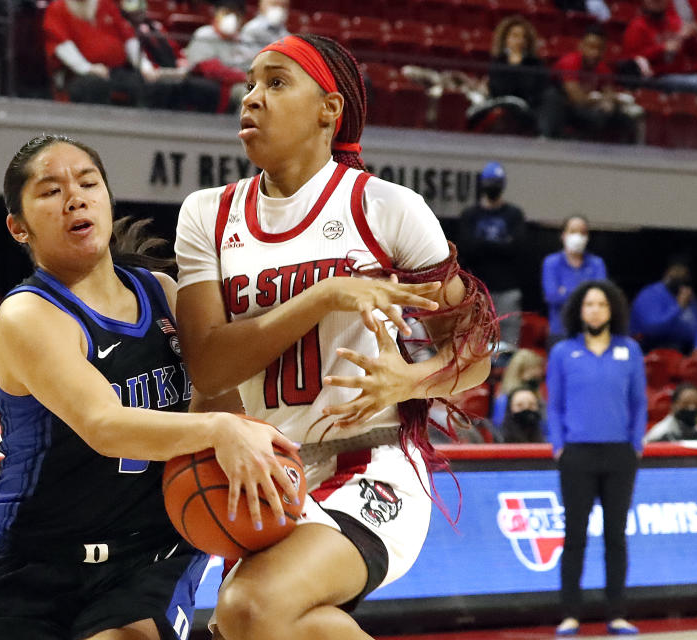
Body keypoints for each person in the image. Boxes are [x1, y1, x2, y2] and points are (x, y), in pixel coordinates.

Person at [174, 33, 497, 640]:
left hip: (371, 466)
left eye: (275, 83)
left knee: (247, 608)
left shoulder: (385, 209)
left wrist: (415, 377)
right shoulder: (207, 214)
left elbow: (477, 349)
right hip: (268, 479)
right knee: (271, 625)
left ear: (330, 109)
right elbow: (209, 368)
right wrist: (324, 295)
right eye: (249, 84)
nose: (252, 98)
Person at [0, 134, 299, 639]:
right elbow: (105, 425)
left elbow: (216, 389)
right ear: (18, 227)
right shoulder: (29, 314)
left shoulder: (162, 293)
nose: (75, 197)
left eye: (88, 183)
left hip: (148, 557)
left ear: (108, 199)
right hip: (32, 564)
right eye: (50, 191)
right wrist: (220, 429)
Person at [547, 280, 645, 636]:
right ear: (578, 310)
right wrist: (559, 446)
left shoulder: (629, 351)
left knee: (616, 536)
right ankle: (570, 614)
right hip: (577, 455)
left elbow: (639, 404)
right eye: (589, 304)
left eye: (601, 304)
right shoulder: (563, 353)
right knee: (574, 536)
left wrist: (635, 445)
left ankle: (616, 613)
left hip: (620, 454)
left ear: (612, 309)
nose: (595, 310)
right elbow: (554, 406)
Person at [458, 161, 527, 349]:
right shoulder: (470, 214)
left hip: (507, 290)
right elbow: (466, 248)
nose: (492, 186)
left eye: (496, 182)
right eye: (489, 182)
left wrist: (482, 246)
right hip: (477, 289)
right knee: (474, 346)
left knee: (508, 347)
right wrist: (501, 246)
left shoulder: (514, 214)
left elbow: (517, 249)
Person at [42, 0, 155, 106]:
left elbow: (128, 38)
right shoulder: (57, 8)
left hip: (116, 70)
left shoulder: (105, 4)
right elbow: (61, 44)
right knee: (95, 86)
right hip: (77, 75)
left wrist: (144, 66)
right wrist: (87, 68)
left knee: (145, 84)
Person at [540, 25, 638, 143]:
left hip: (585, 110)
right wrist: (599, 99)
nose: (595, 53)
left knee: (623, 119)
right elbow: (577, 98)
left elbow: (609, 94)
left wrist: (609, 101)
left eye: (599, 49)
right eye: (591, 47)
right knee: (553, 97)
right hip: (562, 108)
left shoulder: (603, 68)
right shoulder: (570, 62)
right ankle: (548, 138)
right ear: (581, 46)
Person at [119, 0, 222, 112]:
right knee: (163, 88)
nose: (138, 14)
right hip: (148, 75)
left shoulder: (156, 26)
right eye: (134, 12)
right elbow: (137, 60)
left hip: (172, 72)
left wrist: (181, 64)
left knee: (210, 88)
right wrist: (152, 71)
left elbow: (175, 49)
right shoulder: (124, 28)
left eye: (140, 11)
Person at [622, 0, 697, 93]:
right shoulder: (637, 26)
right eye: (654, 1)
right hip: (656, 78)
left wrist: (691, 39)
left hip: (682, 75)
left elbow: (693, 53)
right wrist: (662, 49)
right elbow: (631, 59)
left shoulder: (674, 23)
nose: (658, 3)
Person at [542, 215, 608, 346]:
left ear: (588, 237)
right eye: (573, 231)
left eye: (582, 232)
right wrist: (586, 295)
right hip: (560, 331)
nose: (577, 237)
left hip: (589, 331)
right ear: (563, 235)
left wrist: (565, 292)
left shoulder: (596, 263)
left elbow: (600, 297)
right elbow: (552, 297)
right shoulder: (552, 263)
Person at [629, 256, 697, 354]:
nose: (681, 277)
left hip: (682, 350)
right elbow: (653, 330)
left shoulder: (688, 296)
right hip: (650, 350)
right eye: (677, 272)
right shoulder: (650, 294)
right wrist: (679, 307)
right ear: (667, 273)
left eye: (685, 274)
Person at [185, 0, 252, 112]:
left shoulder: (246, 41)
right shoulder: (204, 35)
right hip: (220, 86)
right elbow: (208, 69)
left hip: (245, 81)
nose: (232, 18)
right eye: (226, 13)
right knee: (248, 93)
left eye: (236, 14)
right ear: (215, 13)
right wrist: (243, 77)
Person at [485, 16, 547, 133]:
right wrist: (513, 66)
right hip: (503, 107)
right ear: (505, 39)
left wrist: (518, 65)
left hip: (529, 111)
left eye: (524, 37)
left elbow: (532, 91)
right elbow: (499, 90)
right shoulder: (498, 62)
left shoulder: (535, 64)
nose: (520, 40)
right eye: (515, 36)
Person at [490, 347, 546, 425]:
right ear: (521, 371)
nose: (540, 373)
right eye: (535, 370)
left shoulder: (533, 392)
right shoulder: (505, 400)